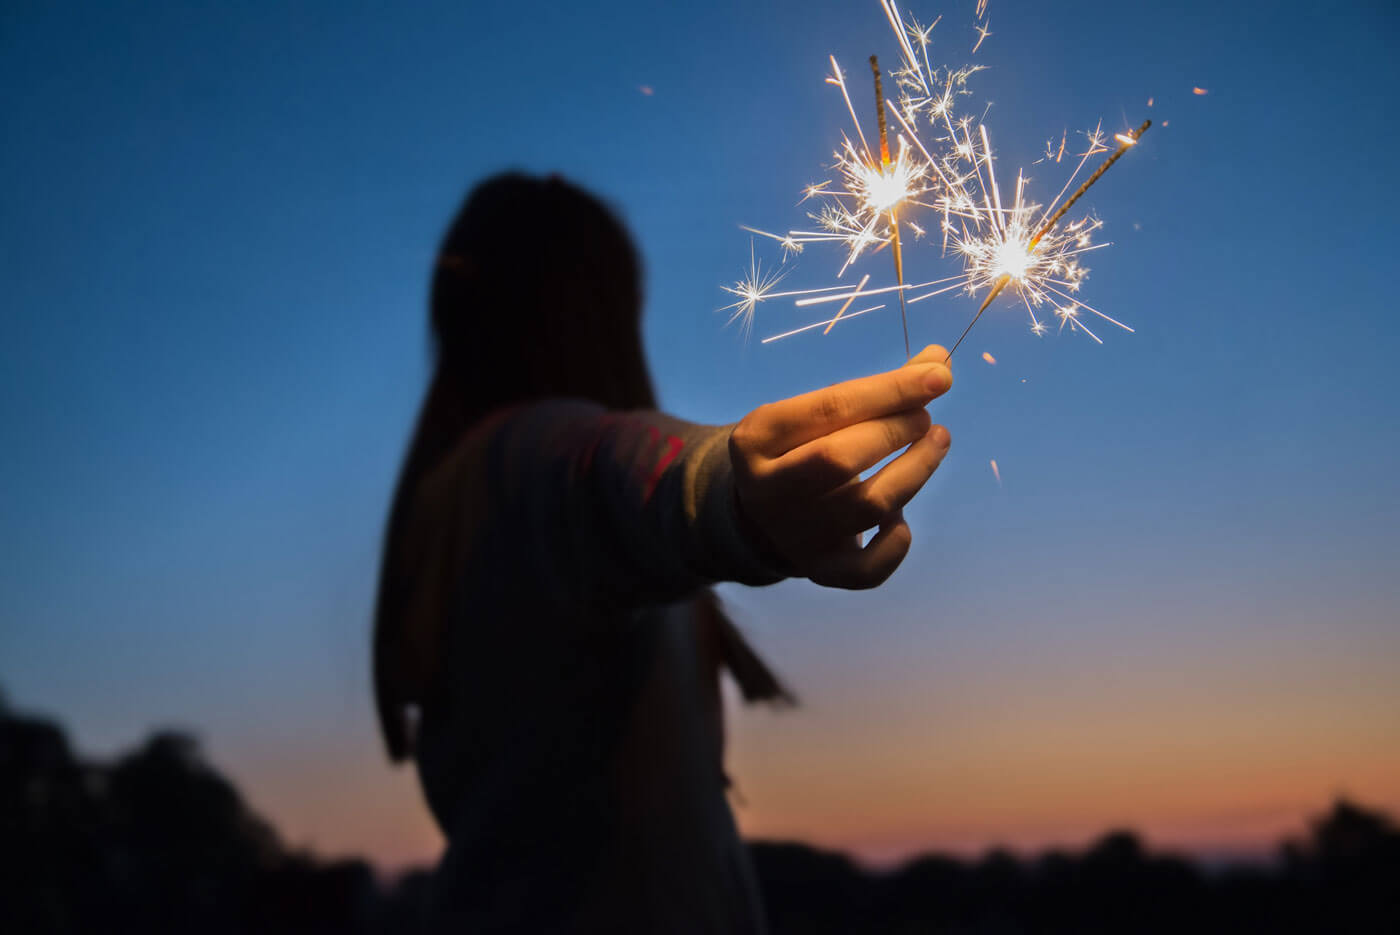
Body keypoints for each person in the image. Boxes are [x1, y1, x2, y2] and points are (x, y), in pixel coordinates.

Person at [373, 172, 952, 932]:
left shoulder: (450, 503)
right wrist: (730, 493)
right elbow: (611, 473)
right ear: (593, 313)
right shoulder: (524, 458)